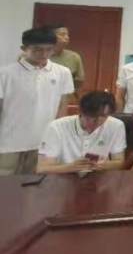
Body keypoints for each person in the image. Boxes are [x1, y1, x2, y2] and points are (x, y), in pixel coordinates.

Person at [0, 28, 74, 175]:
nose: (44, 54)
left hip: (43, 144)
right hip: (8, 143)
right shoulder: (5, 73)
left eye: (49, 50)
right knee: (5, 184)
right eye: (37, 50)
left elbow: (62, 108)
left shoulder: (63, 73)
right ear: (24, 48)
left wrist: (59, 138)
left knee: (35, 184)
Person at [37, 91, 126, 174]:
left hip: (99, 179)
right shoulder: (56, 127)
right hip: (63, 179)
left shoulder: (116, 125)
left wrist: (106, 165)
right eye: (93, 116)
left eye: (104, 116)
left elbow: (119, 162)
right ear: (80, 112)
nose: (99, 121)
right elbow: (42, 169)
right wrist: (71, 167)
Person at [21, 24, 85, 97]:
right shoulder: (27, 55)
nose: (67, 37)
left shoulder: (74, 57)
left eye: (67, 35)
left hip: (60, 96)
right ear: (51, 36)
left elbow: (78, 82)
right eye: (62, 34)